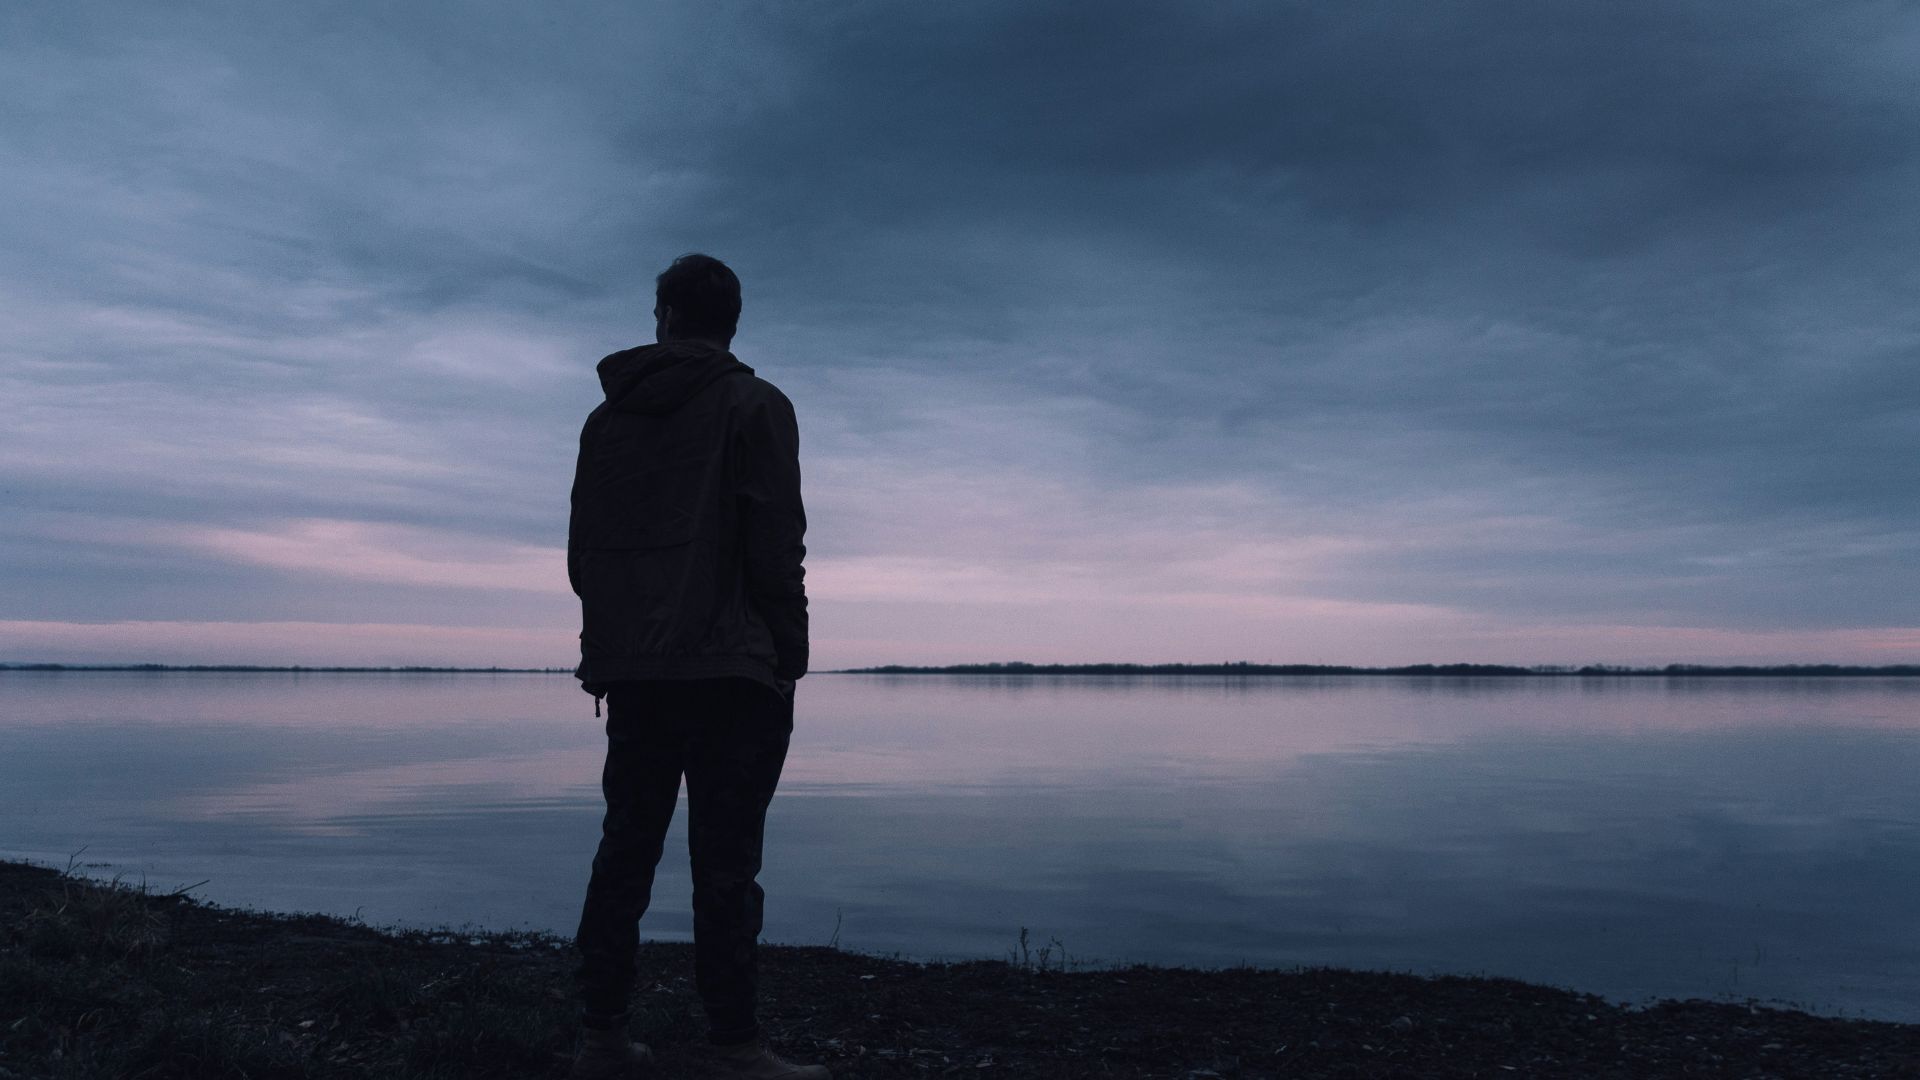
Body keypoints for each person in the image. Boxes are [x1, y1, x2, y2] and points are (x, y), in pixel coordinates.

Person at [567, 253, 825, 1080]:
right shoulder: (758, 404)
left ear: (666, 317)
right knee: (725, 862)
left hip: (639, 672)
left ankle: (602, 1039)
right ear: (731, 322)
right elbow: (776, 541)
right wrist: (791, 653)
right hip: (733, 672)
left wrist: (607, 649)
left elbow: (586, 556)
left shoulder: (606, 425)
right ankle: (734, 1048)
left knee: (624, 850)